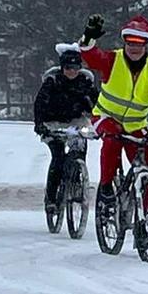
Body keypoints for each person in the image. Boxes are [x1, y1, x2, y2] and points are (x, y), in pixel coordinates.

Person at [79, 13, 148, 250]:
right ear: (124, 43)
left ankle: (144, 219)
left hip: (136, 125)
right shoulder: (112, 60)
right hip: (106, 117)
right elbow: (90, 56)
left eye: (139, 45)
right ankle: (106, 188)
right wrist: (88, 37)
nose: (134, 49)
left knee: (146, 164)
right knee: (112, 141)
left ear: (147, 45)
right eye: (130, 44)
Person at [34, 43, 99, 217]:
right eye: (68, 67)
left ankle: (77, 181)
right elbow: (39, 104)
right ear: (62, 67)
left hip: (76, 121)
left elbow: (98, 103)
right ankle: (52, 198)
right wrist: (40, 124)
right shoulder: (52, 81)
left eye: (76, 67)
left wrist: (101, 122)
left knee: (80, 149)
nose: (72, 71)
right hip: (52, 123)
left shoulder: (85, 82)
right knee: (58, 158)